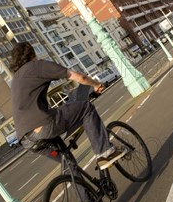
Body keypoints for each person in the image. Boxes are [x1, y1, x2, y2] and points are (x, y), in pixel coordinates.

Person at [10, 41, 125, 169]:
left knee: (69, 163)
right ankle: (105, 153)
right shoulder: (36, 66)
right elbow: (79, 77)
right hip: (42, 126)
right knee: (86, 108)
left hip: (26, 140)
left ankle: (82, 189)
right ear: (32, 54)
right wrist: (96, 84)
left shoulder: (15, 79)